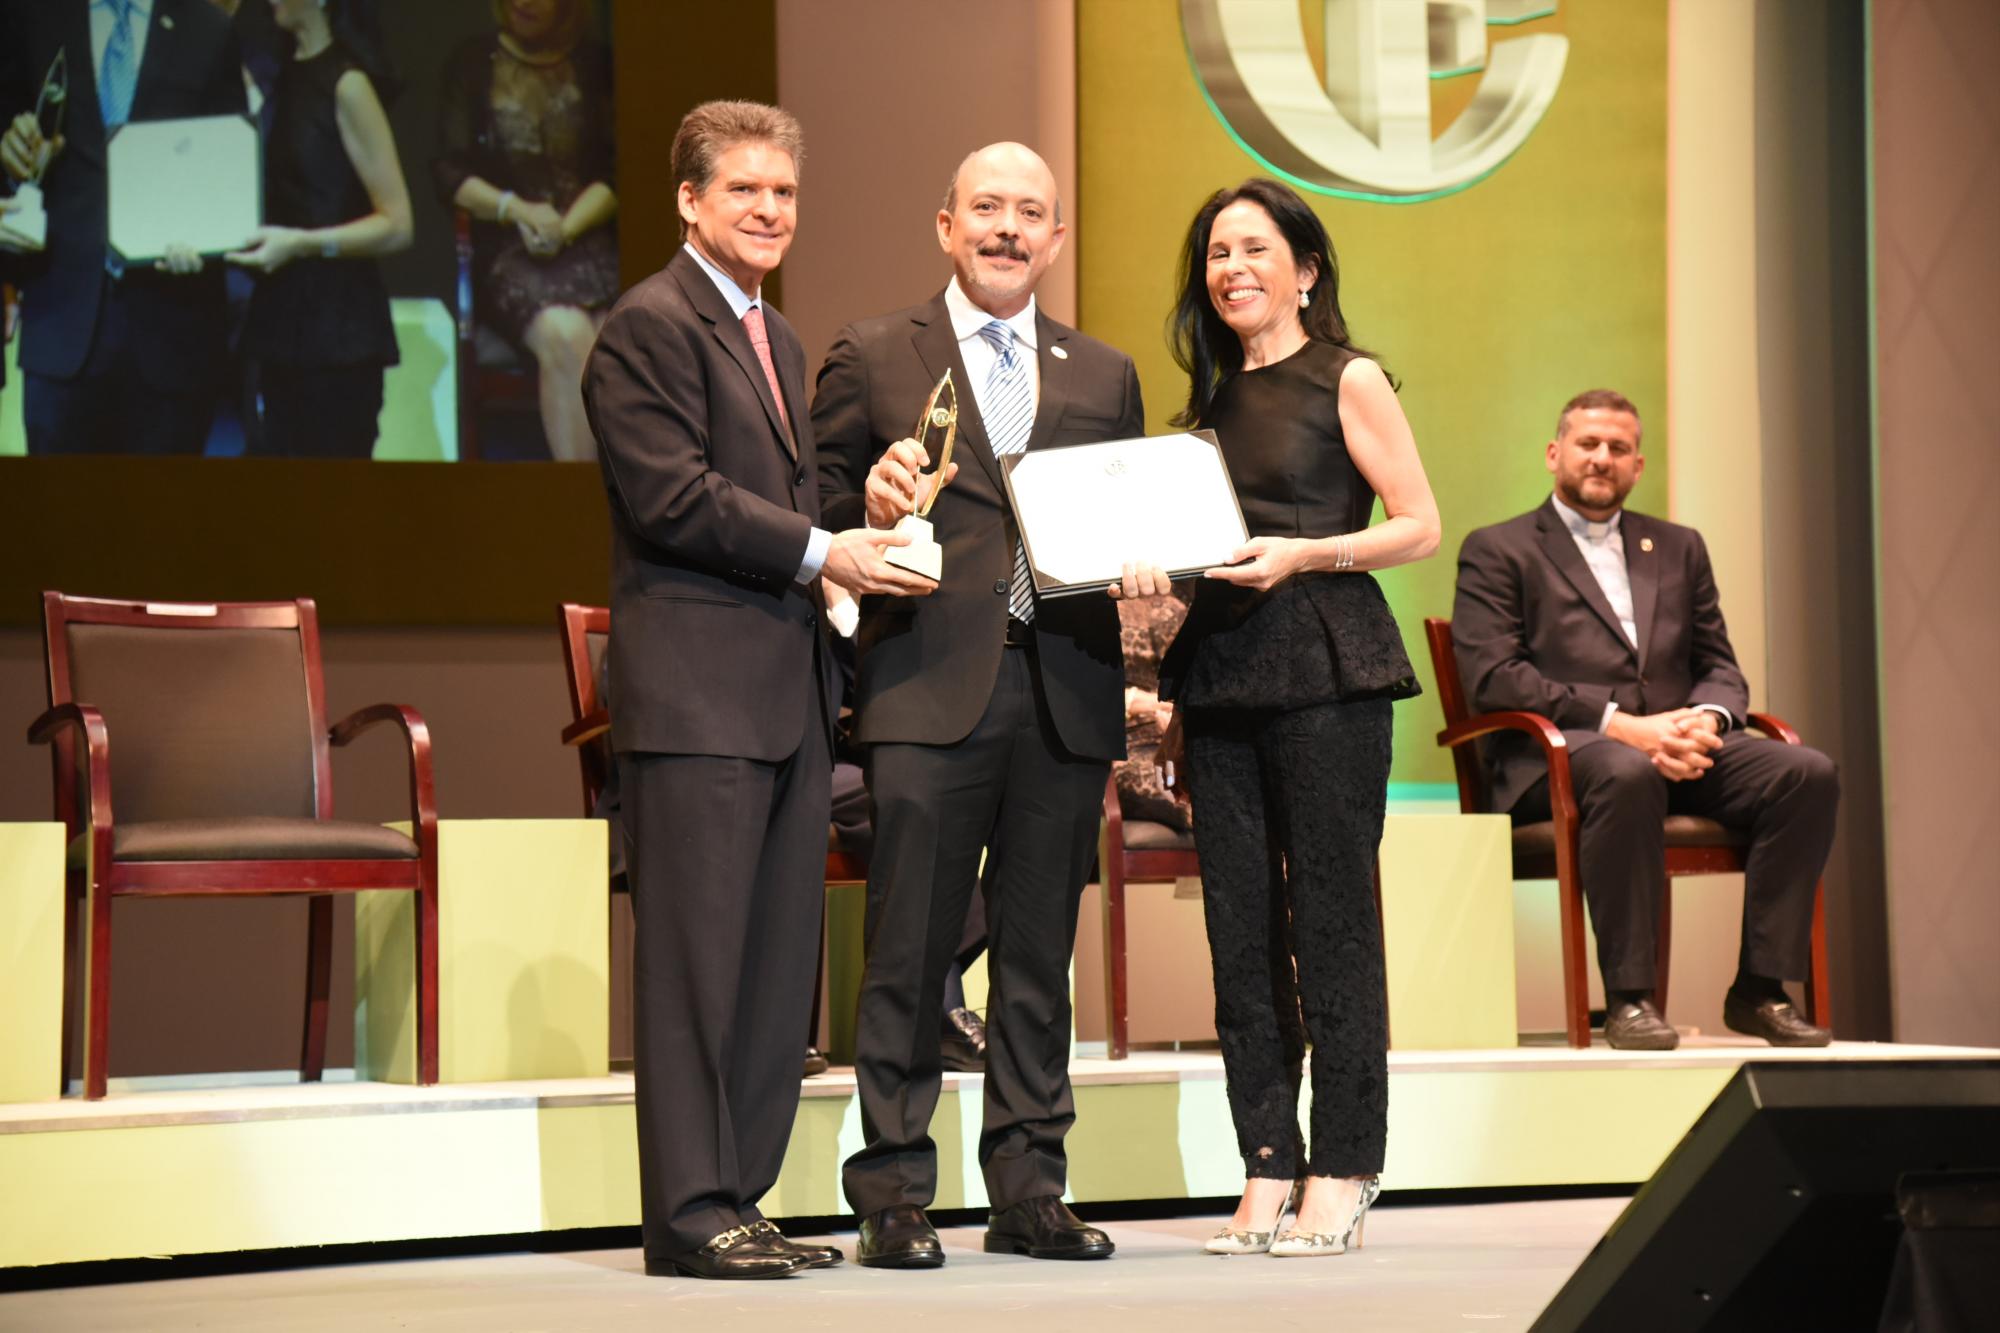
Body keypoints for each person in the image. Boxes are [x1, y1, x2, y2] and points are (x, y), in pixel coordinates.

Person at [581, 99, 932, 1281]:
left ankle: (738, 1196)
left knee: (775, 968)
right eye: (742, 190)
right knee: (694, 966)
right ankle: (686, 1214)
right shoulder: (645, 326)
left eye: (782, 192)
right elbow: (672, 500)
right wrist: (824, 550)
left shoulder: (778, 341)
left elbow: (788, 512)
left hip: (784, 694)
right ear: (689, 201)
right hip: (694, 700)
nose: (769, 211)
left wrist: (860, 518)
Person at [815, 141, 1162, 1269]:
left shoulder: (1102, 372)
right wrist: (861, 500)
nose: (1008, 228)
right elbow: (813, 507)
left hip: (1061, 685)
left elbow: (1127, 517)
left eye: (1031, 213)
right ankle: (893, 1191)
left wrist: (1156, 563)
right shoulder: (871, 352)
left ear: (1055, 238)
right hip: (924, 681)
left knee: (1033, 954)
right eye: (987, 209)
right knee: (909, 949)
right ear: (945, 225)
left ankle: (1028, 1185)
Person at [1155, 178, 1438, 1259]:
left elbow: (1418, 524)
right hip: (1220, 667)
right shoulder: (1206, 407)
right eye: (1214, 253)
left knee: (1329, 920)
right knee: (1236, 930)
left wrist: (1305, 553)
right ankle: (1265, 1160)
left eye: (1253, 249)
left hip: (1325, 657)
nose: (1230, 268)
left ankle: (1346, 1161)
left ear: (1304, 269)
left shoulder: (1346, 376)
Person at [1451, 389, 1837, 1052]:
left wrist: (1707, 722)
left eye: (1618, 449)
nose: (1602, 458)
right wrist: (1619, 724)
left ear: (1638, 465)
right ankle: (1630, 999)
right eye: (1588, 444)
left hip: (1675, 750)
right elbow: (1493, 676)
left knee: (1805, 772)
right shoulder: (1498, 548)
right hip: (1560, 757)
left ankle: (1761, 987)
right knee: (1625, 768)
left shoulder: (1680, 547)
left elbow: (1719, 664)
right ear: (1555, 454)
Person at [0, 0, 246, 455]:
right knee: (56, 519)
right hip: (62, 328)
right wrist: (9, 154)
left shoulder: (208, 28)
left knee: (162, 521)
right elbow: (10, 136)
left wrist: (206, 235)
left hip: (173, 336)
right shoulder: (33, 18)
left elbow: (229, 169)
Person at [226, 0, 410, 458]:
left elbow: (398, 223)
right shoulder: (281, 78)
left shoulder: (347, 84)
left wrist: (303, 244)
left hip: (338, 332)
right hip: (281, 324)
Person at [436, 0, 618, 462]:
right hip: (509, 245)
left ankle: (628, 509)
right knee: (564, 333)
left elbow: (619, 169)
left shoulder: (595, 63)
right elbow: (448, 171)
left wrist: (566, 226)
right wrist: (517, 210)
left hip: (588, 237)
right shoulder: (472, 63)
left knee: (612, 340)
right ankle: (582, 504)